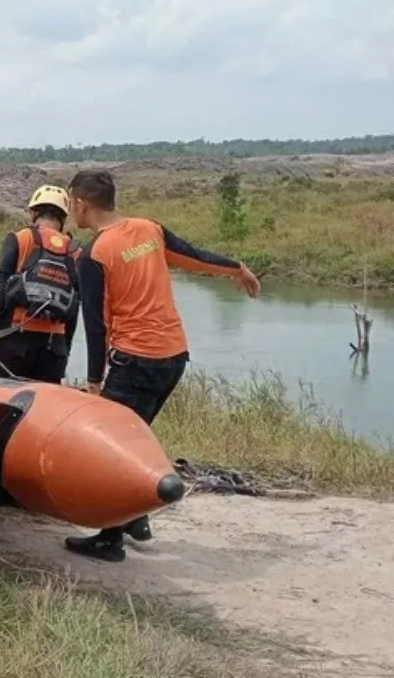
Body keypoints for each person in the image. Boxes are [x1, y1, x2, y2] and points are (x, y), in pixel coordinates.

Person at [64, 169, 261, 562]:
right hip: (173, 357)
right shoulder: (148, 229)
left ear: (81, 205)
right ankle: (135, 520)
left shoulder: (95, 255)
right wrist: (236, 268)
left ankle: (110, 538)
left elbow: (96, 323)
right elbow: (195, 256)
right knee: (136, 438)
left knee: (113, 449)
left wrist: (93, 380)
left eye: (71, 204)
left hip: (135, 361)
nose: (71, 210)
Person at [0, 185, 81, 383]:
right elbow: (74, 306)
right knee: (44, 409)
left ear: (34, 212)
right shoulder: (74, 251)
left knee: (4, 404)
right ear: (63, 217)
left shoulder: (19, 238)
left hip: (15, 339)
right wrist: (65, 350)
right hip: (54, 347)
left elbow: (0, 290)